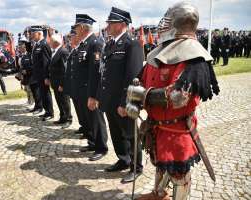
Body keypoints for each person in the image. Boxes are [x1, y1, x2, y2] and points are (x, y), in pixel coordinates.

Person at [133, 2, 219, 199]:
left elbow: (178, 97)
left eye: (167, 18)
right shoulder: (159, 50)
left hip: (177, 130)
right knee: (160, 165)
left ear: (179, 23)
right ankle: (159, 193)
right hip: (157, 127)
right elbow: (141, 80)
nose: (162, 23)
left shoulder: (194, 56)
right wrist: (133, 96)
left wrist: (142, 95)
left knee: (179, 173)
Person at [97, 7, 144, 183]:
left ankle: (136, 166)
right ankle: (123, 159)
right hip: (109, 100)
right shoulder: (110, 44)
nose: (108, 25)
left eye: (111, 22)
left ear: (122, 24)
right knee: (116, 133)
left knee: (131, 134)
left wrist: (126, 103)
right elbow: (105, 73)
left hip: (122, 101)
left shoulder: (132, 44)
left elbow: (133, 77)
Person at [72, 14, 108, 161]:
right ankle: (93, 142)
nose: (75, 31)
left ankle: (101, 147)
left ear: (82, 27)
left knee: (96, 119)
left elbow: (96, 71)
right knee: (88, 119)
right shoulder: (84, 43)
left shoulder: (95, 43)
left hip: (91, 90)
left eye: (76, 28)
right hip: (83, 90)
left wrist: (94, 95)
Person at [48, 33, 72, 128]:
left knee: (65, 101)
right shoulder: (54, 51)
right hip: (55, 82)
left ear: (55, 42)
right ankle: (62, 117)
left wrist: (62, 84)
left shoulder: (63, 52)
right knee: (59, 101)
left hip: (61, 83)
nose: (49, 43)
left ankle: (68, 118)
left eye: (50, 41)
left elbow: (65, 69)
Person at [30, 26, 54, 121]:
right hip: (39, 75)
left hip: (43, 75)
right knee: (42, 93)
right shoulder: (37, 44)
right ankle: (46, 111)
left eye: (33, 33)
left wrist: (47, 76)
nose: (31, 35)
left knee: (46, 93)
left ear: (39, 33)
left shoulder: (44, 44)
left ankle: (50, 112)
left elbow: (46, 62)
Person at [65, 26, 84, 134]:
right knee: (79, 110)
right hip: (74, 86)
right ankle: (83, 126)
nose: (69, 40)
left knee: (83, 111)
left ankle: (87, 130)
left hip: (81, 87)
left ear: (77, 37)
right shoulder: (74, 50)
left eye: (71, 37)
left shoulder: (80, 49)